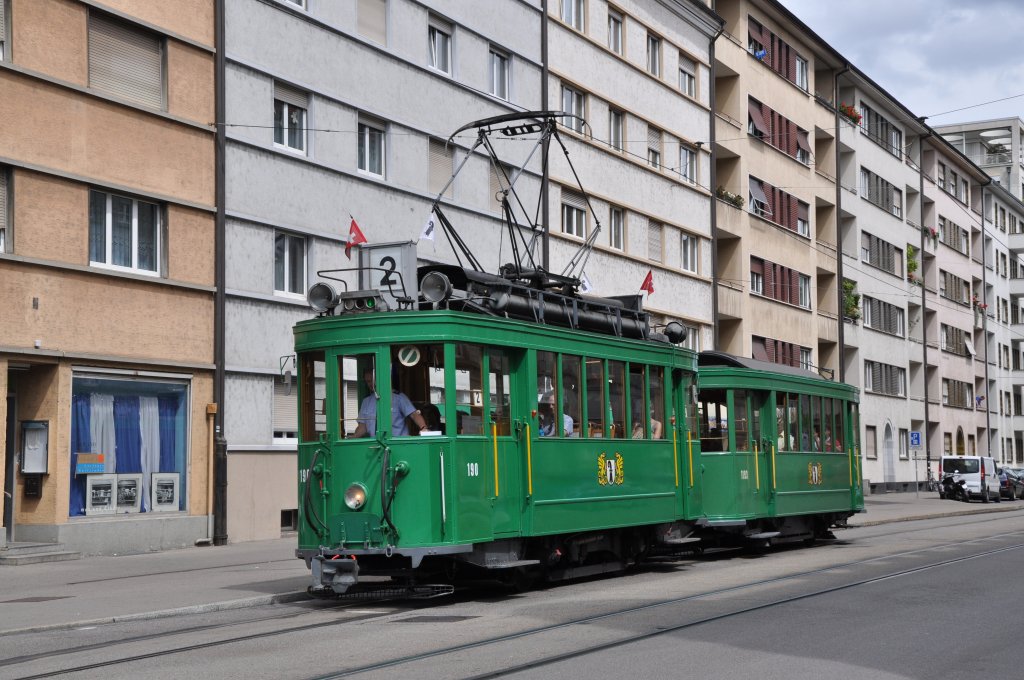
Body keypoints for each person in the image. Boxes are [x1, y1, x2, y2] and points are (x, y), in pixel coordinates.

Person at [352, 369, 427, 437]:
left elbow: (414, 414)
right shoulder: (366, 401)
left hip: (398, 443)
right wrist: (353, 438)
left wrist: (423, 428)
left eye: (372, 380)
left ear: (380, 379)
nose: (370, 384)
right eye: (368, 381)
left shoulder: (399, 397)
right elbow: (362, 427)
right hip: (376, 445)